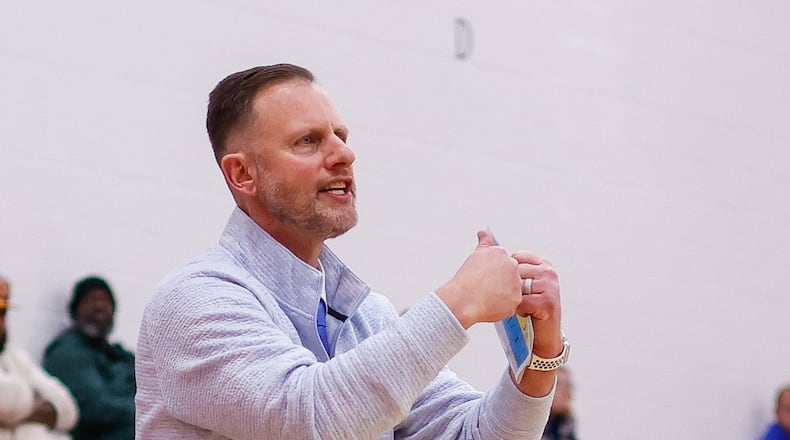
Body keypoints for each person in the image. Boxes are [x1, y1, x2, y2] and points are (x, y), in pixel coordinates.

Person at [135, 63, 570, 439]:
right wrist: (460, 302)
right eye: (308, 140)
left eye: (340, 135)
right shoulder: (193, 300)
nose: (345, 153)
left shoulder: (367, 316)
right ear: (243, 174)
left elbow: (472, 433)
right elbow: (310, 420)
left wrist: (542, 354)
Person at [43, 276, 135, 440]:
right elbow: (96, 407)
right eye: (91, 300)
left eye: (105, 301)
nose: (99, 306)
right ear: (74, 310)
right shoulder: (67, 352)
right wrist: (144, 408)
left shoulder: (116, 354)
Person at [0, 275, 79, 439]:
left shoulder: (16, 357)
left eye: (3, 312)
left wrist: (14, 415)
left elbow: (68, 410)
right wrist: (35, 399)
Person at [542, 367, 577, 440]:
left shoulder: (565, 423)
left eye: (569, 386)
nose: (568, 393)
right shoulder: (528, 424)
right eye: (560, 385)